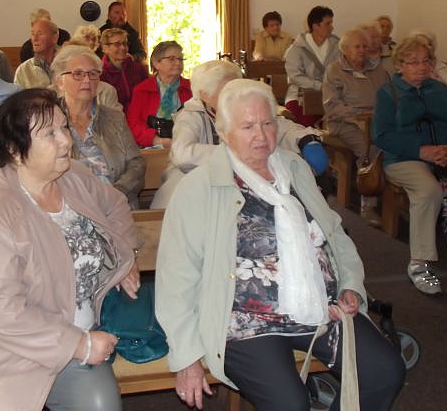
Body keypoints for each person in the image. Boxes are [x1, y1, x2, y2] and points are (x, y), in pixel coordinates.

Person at [155, 79, 404, 411]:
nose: (260, 135)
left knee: (385, 370)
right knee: (290, 404)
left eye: (267, 123)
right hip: (245, 321)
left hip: (319, 305)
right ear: (223, 132)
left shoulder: (294, 168)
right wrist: (186, 357)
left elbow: (335, 235)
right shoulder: (198, 188)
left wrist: (351, 286)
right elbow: (176, 278)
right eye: (247, 126)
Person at [0, 89, 140, 411]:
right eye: (49, 134)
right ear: (14, 149)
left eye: (64, 127)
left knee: (101, 405)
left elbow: (116, 206)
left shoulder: (72, 177)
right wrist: (79, 345)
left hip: (75, 328)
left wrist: (125, 259)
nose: (66, 141)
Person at [150, 60, 327, 209]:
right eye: (228, 89)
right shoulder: (190, 114)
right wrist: (237, 155)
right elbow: (183, 154)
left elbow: (277, 124)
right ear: (205, 94)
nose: (236, 94)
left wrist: (306, 139)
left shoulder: (240, 108)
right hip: (193, 180)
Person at [372, 36, 447, 296]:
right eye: (413, 62)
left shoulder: (439, 90)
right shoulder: (388, 93)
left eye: (426, 60)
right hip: (405, 158)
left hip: (445, 155)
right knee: (428, 191)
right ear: (399, 65)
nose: (421, 66)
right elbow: (381, 135)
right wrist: (422, 151)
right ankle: (419, 263)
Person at [53, 46, 145, 209]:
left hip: (117, 207)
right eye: (78, 74)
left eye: (93, 74)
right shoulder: (49, 123)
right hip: (70, 209)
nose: (87, 80)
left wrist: (116, 193)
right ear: (60, 81)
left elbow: (136, 164)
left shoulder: (114, 118)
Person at [323, 29, 391, 228]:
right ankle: (368, 206)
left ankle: (395, 200)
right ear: (344, 50)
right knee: (367, 147)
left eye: (364, 46)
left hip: (375, 120)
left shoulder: (378, 70)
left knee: (394, 143)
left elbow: (389, 98)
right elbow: (332, 106)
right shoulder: (334, 70)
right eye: (357, 46)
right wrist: (357, 118)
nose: (362, 50)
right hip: (344, 123)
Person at [127, 41, 191, 148]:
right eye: (171, 59)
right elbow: (134, 123)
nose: (178, 63)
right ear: (156, 63)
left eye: (180, 59)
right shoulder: (142, 90)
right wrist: (157, 140)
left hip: (187, 144)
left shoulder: (192, 88)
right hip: (153, 146)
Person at [284, 6, 341, 127]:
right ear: (315, 26)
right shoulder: (296, 49)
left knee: (342, 122)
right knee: (305, 126)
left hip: (330, 96)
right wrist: (319, 86)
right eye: (328, 23)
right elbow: (295, 76)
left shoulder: (337, 46)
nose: (332, 27)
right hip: (301, 97)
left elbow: (341, 70)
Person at [100, 28, 148, 111]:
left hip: (139, 116)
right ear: (105, 48)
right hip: (113, 119)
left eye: (125, 43)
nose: (122, 48)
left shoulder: (138, 68)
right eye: (117, 44)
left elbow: (148, 95)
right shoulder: (100, 74)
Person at [15, 19, 60, 88]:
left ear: (55, 38)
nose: (35, 39)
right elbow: (17, 98)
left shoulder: (68, 64)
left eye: (40, 34)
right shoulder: (24, 70)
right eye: (32, 34)